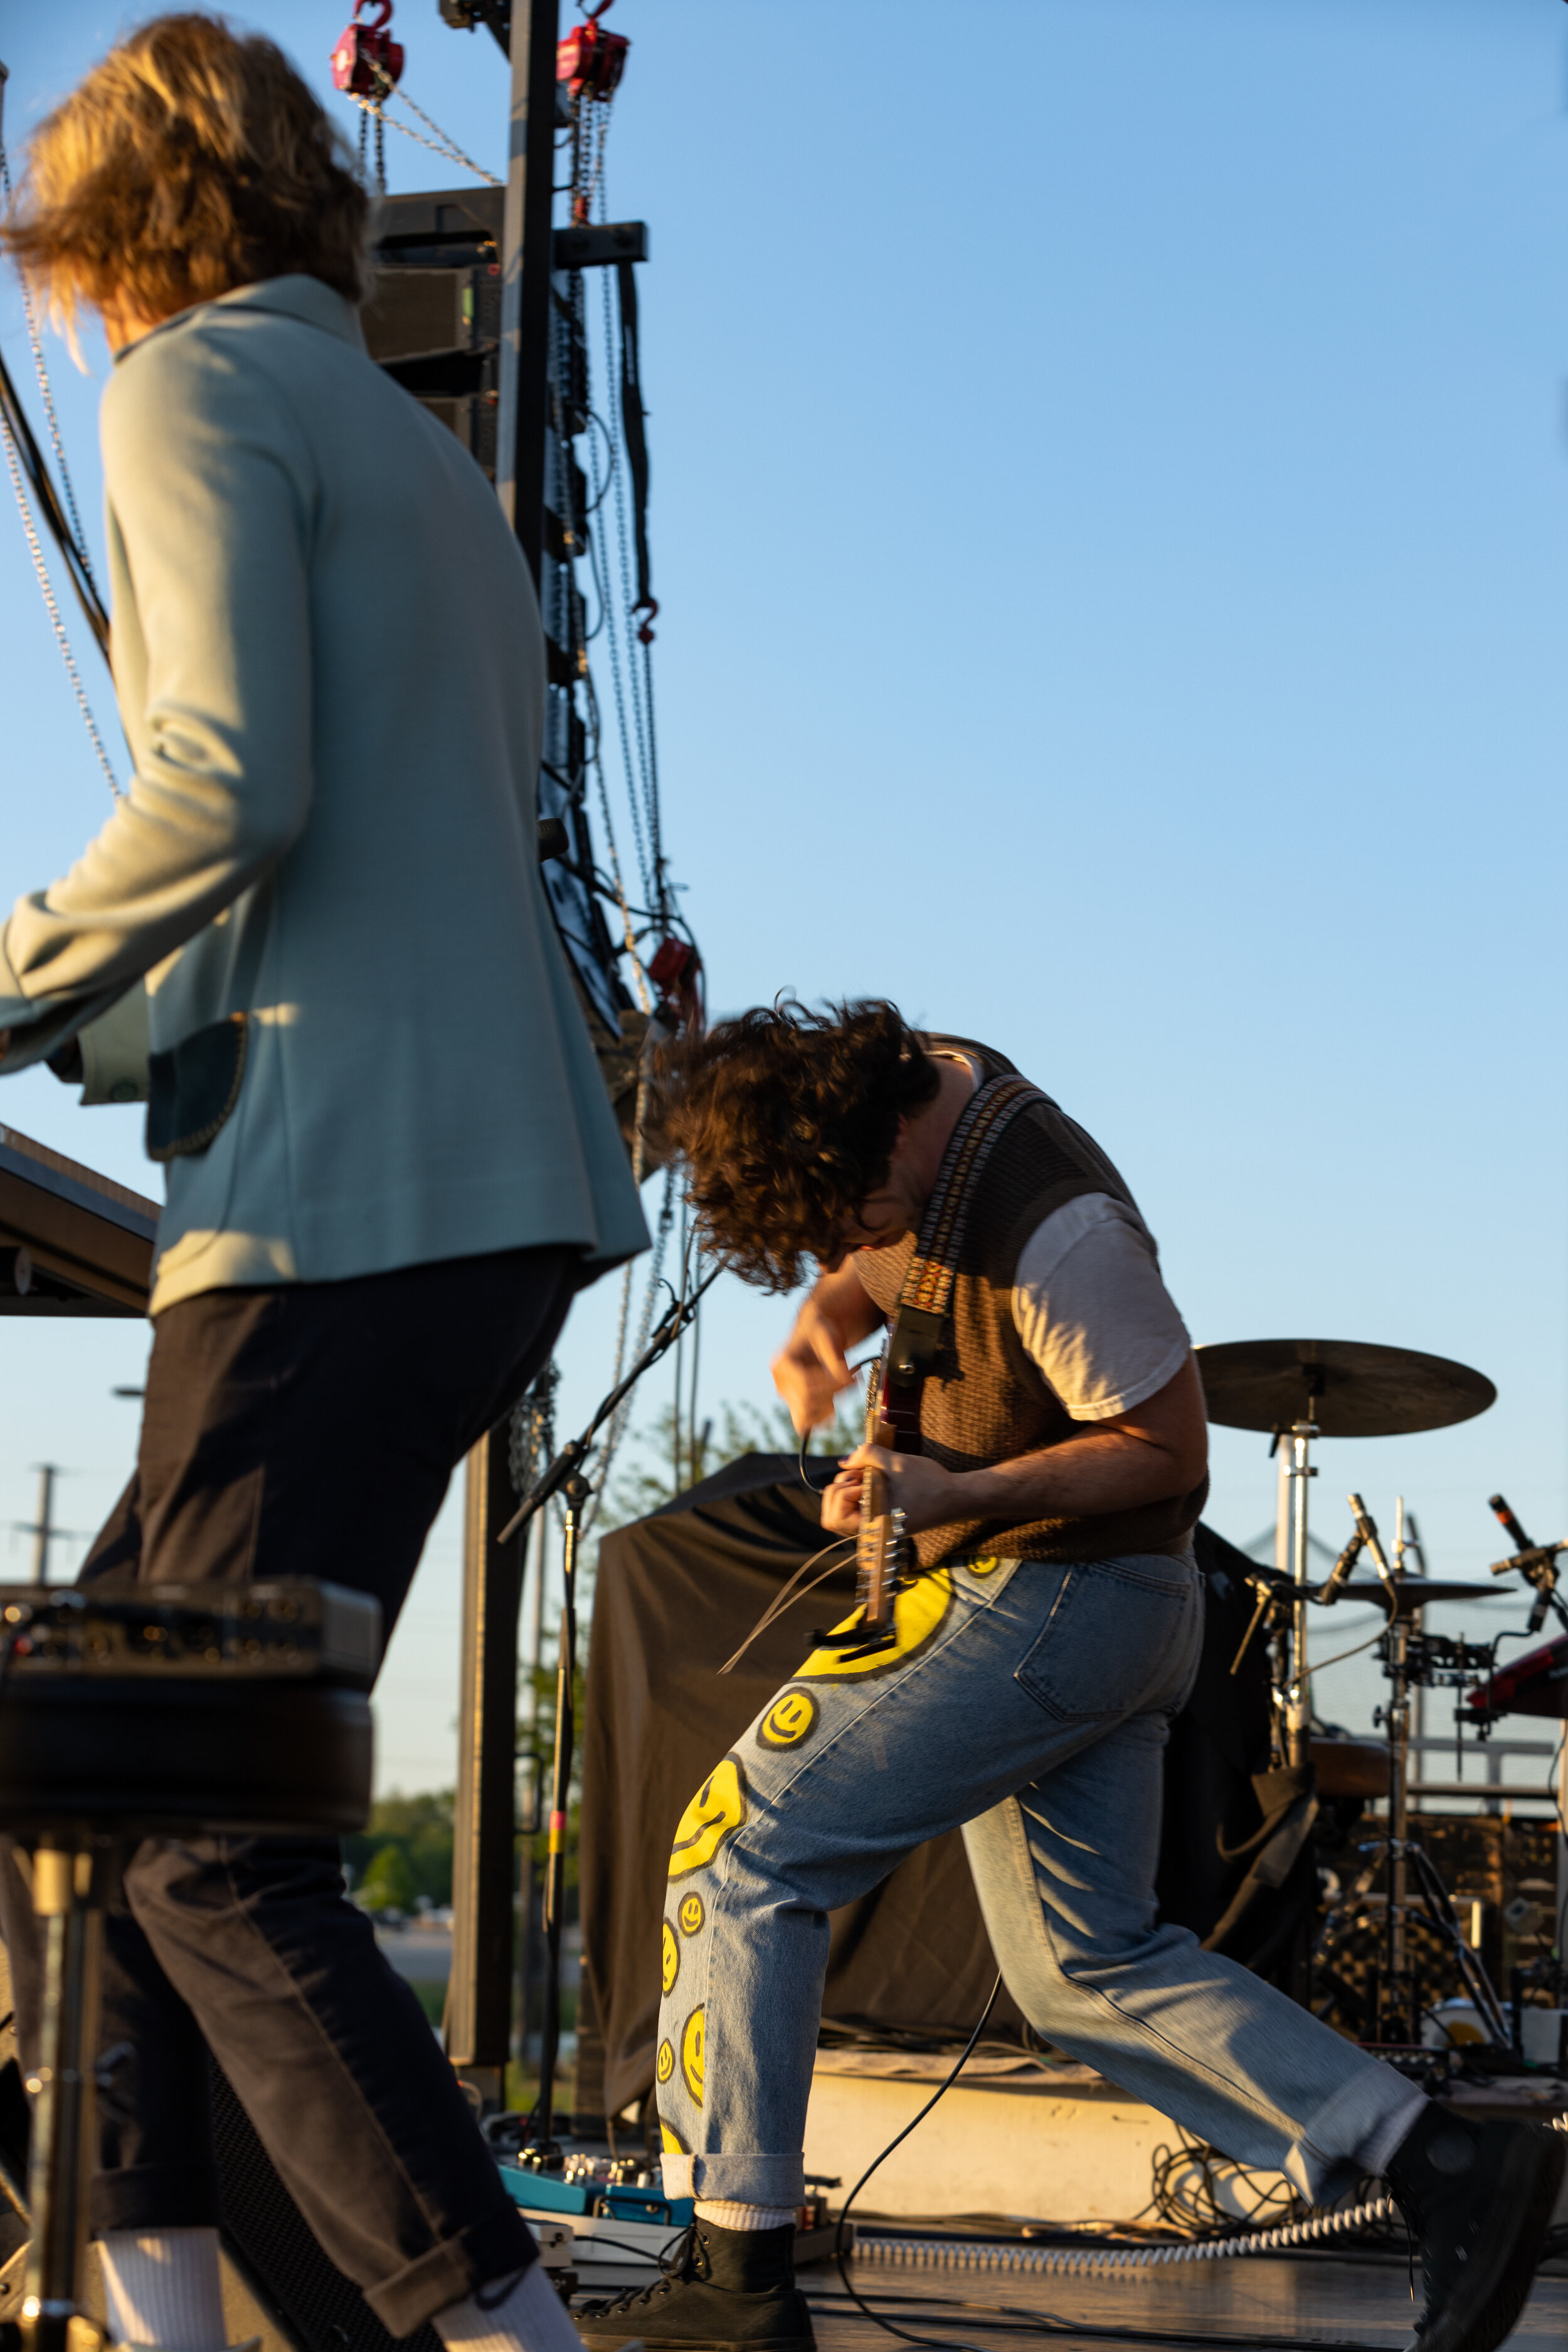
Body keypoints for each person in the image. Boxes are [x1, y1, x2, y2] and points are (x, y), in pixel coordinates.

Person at [0, 19, 645, 2352]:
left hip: (340, 1205)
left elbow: (226, 789)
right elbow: (342, 851)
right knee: (96, 1755)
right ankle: (155, 2291)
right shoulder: (407, 443)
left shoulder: (183, 391)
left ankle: (495, 2323)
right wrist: (95, 1018)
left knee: (200, 1825)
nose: (67, 301)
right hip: (474, 1190)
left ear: (114, 231)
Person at [579, 1000, 1562, 2352]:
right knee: (1084, 1970)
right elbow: (886, 1264)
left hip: (1056, 1600)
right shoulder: (918, 1122)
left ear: (874, 1143)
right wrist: (819, 1326)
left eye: (840, 1224)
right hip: (1080, 1608)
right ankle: (1435, 2162)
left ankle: (736, 2276)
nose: (840, 1251)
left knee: (739, 1853)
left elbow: (1166, 1453)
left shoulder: (1058, 1232)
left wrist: (948, 1489)